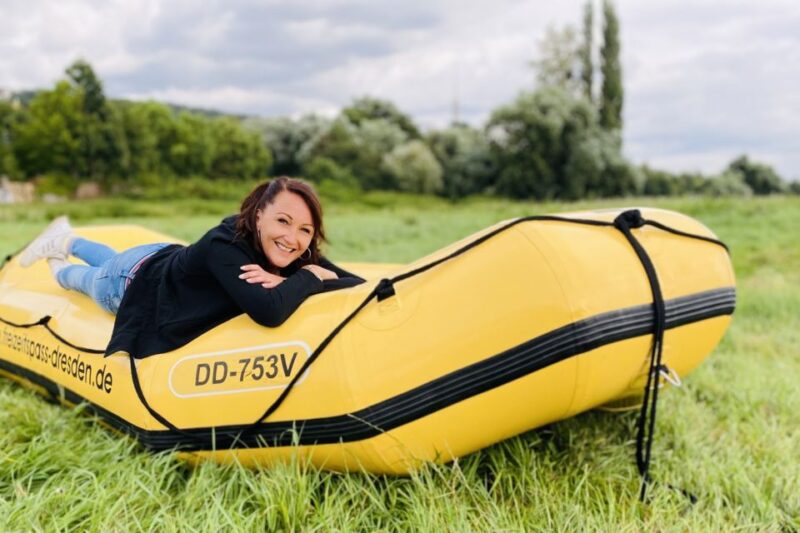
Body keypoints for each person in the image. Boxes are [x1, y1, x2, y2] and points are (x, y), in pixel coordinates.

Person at [19, 177, 365, 358]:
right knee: (85, 278)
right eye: (284, 221)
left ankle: (67, 238)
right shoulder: (224, 245)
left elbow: (355, 284)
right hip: (133, 282)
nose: (293, 238)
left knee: (110, 258)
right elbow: (268, 311)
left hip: (158, 256)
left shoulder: (292, 248)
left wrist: (314, 274)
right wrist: (308, 277)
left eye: (305, 229)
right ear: (260, 215)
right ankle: (57, 256)